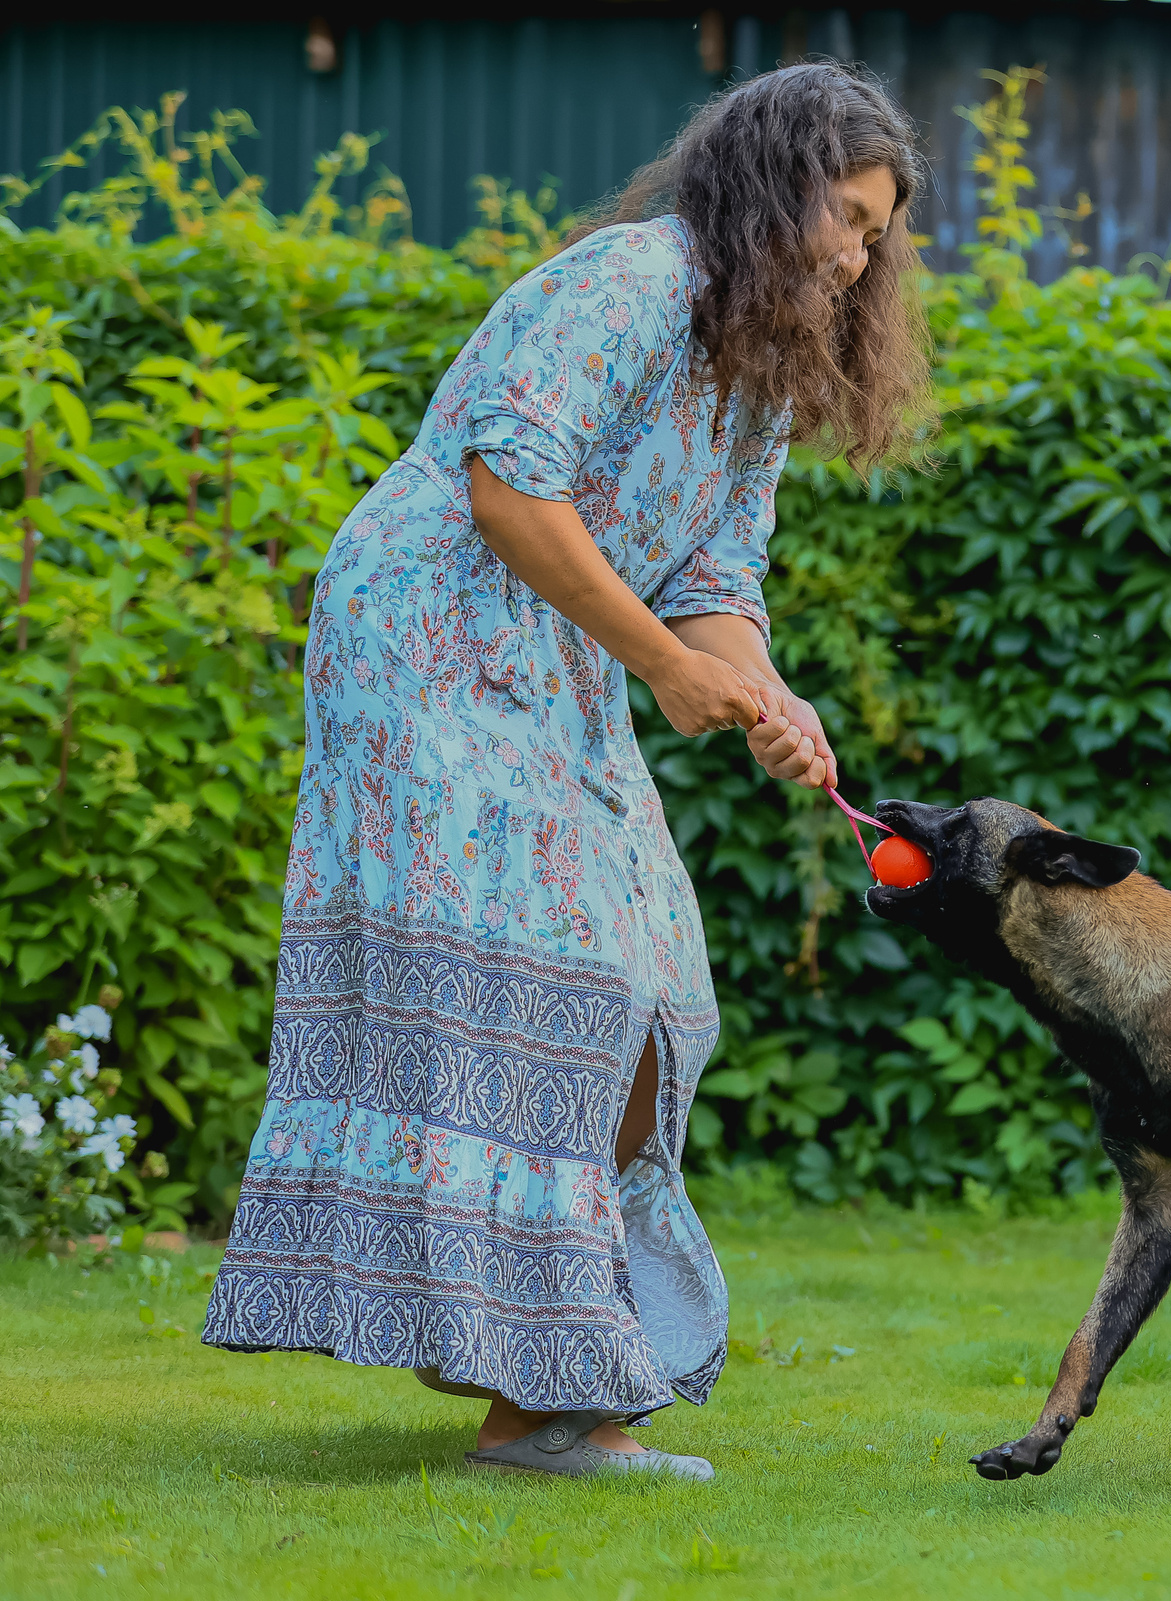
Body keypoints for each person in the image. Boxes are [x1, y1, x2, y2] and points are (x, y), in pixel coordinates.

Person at [201, 63, 933, 1479]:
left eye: (875, 233)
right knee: (573, 980)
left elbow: (720, 576)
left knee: (657, 986)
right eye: (844, 217)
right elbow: (504, 486)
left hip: (555, 665)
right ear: (770, 186)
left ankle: (525, 1351)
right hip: (424, 641)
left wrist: (770, 695)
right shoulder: (631, 282)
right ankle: (542, 1405)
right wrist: (665, 665)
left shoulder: (762, 370)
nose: (857, 255)